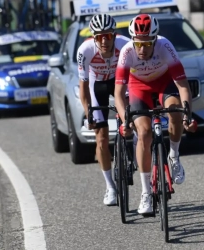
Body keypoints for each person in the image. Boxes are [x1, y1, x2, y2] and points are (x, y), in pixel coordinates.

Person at [114, 14, 197, 215]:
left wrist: (188, 115)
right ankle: (146, 193)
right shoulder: (126, 52)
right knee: (143, 133)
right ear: (133, 40)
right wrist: (125, 120)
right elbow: (118, 93)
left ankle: (174, 155)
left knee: (175, 111)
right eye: (138, 44)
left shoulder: (165, 47)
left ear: (155, 40)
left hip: (164, 83)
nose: (142, 49)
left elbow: (183, 86)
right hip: (138, 87)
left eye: (147, 44)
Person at [77, 14, 130, 206]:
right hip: (96, 84)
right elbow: (83, 87)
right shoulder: (85, 50)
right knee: (101, 137)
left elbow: (136, 75)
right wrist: (88, 111)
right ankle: (110, 187)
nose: (104, 40)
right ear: (94, 37)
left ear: (114, 35)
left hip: (119, 82)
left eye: (108, 35)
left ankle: (134, 149)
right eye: (99, 37)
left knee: (134, 118)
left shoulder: (125, 45)